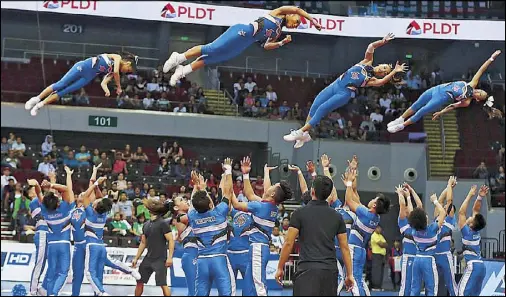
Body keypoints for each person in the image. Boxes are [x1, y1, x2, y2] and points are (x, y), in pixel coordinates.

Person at [283, 33, 408, 148]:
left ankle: (300, 132)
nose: (382, 70)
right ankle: (305, 135)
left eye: (384, 72)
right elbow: (371, 46)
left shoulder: (372, 79)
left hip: (344, 93)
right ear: (380, 64)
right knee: (316, 103)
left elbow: (382, 82)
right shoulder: (367, 61)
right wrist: (383, 41)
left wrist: (393, 72)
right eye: (384, 67)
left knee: (322, 109)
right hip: (336, 84)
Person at [163, 6, 321, 86]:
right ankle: (179, 57)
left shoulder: (277, 32)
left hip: (245, 43)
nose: (296, 25)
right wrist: (312, 19)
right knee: (212, 48)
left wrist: (281, 43)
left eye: (298, 25)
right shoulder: (278, 13)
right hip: (243, 31)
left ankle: (182, 71)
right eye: (297, 21)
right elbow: (297, 9)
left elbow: (265, 46)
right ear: (291, 15)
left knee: (212, 58)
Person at [387, 50, 502, 133]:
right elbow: (481, 69)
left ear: (477, 98)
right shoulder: (472, 83)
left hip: (441, 98)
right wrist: (491, 58)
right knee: (417, 104)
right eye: (481, 91)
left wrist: (441, 112)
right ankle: (400, 119)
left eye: (480, 95)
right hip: (436, 89)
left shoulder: (466, 102)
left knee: (422, 110)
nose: (479, 91)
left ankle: (402, 126)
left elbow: (452, 106)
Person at [275, 175, 354, 296]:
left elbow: (288, 243)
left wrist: (280, 267)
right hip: (329, 272)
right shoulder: (337, 216)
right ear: (328, 194)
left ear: (312, 191)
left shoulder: (299, 213)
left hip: (306, 270)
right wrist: (349, 274)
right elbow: (345, 248)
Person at [71, 164, 140, 296]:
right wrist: (95, 175)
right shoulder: (101, 213)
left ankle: (101, 293)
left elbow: (87, 195)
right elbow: (99, 197)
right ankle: (130, 271)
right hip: (96, 244)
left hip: (89, 244)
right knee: (109, 263)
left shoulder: (90, 211)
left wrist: (95, 182)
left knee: (91, 272)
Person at [230, 157, 293, 296]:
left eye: (271, 186)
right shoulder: (271, 206)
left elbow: (236, 204)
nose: (268, 186)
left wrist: (228, 187)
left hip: (257, 247)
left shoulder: (260, 206)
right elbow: (255, 193)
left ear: (272, 194)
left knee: (259, 286)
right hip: (258, 248)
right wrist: (261, 173)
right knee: (251, 285)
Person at [25, 52, 138, 116]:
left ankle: (40, 105)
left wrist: (107, 90)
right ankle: (36, 99)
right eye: (128, 70)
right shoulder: (117, 58)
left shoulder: (113, 72)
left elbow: (104, 83)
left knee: (65, 91)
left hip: (88, 76)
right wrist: (118, 86)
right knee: (61, 85)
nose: (126, 72)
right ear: (127, 63)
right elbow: (116, 72)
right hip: (83, 67)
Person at [187, 159, 235, 296]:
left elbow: (193, 202)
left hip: (202, 262)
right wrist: (228, 170)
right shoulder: (219, 212)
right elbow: (228, 192)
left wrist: (197, 187)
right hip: (219, 260)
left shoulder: (192, 217)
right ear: (210, 204)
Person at [399, 176, 452, 297]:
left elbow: (413, 212)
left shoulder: (414, 231)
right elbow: (443, 212)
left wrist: (408, 195)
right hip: (428, 260)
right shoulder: (432, 229)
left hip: (417, 259)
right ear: (424, 219)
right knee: (431, 289)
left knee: (414, 289)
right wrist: (435, 201)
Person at [342, 168, 391, 296]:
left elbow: (349, 200)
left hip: (354, 249)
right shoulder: (374, 217)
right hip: (361, 250)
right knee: (359, 279)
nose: (371, 200)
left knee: (352, 279)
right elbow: (355, 197)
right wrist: (353, 178)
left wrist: (348, 184)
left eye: (374, 199)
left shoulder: (366, 214)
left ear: (374, 206)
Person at [37, 166, 75, 296]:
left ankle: (48, 293)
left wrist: (46, 186)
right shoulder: (65, 208)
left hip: (51, 245)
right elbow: (67, 189)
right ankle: (54, 293)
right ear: (58, 203)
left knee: (51, 270)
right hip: (64, 244)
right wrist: (52, 183)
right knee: (63, 272)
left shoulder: (45, 211)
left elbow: (46, 198)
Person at [132, 198, 175, 296]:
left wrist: (170, 257)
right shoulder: (146, 224)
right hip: (148, 258)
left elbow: (171, 240)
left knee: (163, 284)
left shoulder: (163, 223)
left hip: (160, 259)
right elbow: (143, 243)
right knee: (139, 281)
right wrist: (136, 258)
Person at [457, 184, 488, 296]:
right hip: (482, 267)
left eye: (473, 217)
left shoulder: (467, 232)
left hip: (473, 266)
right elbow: (476, 209)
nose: (472, 215)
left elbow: (461, 212)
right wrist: (480, 197)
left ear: (471, 224)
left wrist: (470, 195)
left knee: (460, 293)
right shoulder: (476, 231)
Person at [167, 193, 198, 297]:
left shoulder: (188, 215)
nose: (185, 201)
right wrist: (197, 190)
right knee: (193, 290)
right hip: (190, 255)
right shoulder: (180, 218)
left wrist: (197, 187)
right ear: (176, 207)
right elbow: (195, 212)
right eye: (181, 200)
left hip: (199, 254)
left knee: (200, 289)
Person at [396, 182, 423, 296]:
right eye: (407, 209)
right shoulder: (403, 224)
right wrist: (400, 194)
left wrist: (410, 192)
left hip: (417, 258)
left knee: (415, 285)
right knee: (406, 285)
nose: (408, 210)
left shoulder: (416, 225)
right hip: (407, 258)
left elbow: (419, 206)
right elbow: (402, 206)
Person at [433, 179, 458, 296]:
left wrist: (449, 185)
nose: (448, 207)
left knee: (450, 282)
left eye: (450, 208)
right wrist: (449, 188)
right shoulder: (437, 217)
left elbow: (449, 201)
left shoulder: (450, 219)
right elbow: (440, 200)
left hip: (445, 255)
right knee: (434, 283)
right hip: (434, 255)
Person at [27, 179, 49, 296]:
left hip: (48, 235)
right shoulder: (34, 202)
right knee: (40, 263)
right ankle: (32, 290)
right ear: (31, 193)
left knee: (46, 263)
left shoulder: (40, 201)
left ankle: (42, 288)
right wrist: (37, 185)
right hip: (42, 234)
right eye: (33, 190)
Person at [370, 226, 388, 291]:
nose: (380, 229)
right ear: (375, 228)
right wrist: (383, 244)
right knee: (376, 271)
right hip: (376, 255)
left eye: (381, 228)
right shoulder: (374, 235)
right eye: (379, 228)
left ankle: (379, 286)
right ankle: (375, 286)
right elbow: (381, 244)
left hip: (382, 255)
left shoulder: (380, 236)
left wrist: (384, 244)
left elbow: (386, 244)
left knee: (381, 271)